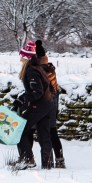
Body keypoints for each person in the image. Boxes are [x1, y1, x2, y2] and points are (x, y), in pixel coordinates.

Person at [13, 39, 55, 170]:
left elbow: (36, 92)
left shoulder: (31, 71)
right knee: (44, 136)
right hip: (47, 104)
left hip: (39, 106)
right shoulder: (37, 68)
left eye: (22, 55)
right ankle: (47, 165)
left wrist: (22, 101)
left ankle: (27, 159)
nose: (20, 58)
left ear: (27, 57)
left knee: (19, 131)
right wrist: (22, 99)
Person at [35, 40, 65, 169]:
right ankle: (59, 159)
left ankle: (56, 160)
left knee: (50, 131)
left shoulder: (42, 71)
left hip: (48, 102)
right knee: (52, 131)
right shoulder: (49, 68)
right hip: (54, 101)